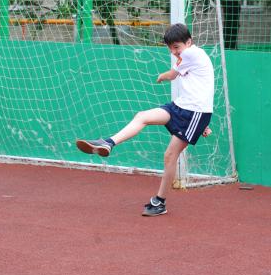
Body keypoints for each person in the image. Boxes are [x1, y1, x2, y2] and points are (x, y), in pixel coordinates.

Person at [76, 23, 214, 216]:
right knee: (142, 117)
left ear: (189, 42)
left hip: (194, 113)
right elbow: (202, 86)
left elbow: (173, 75)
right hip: (182, 107)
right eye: (170, 48)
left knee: (170, 155)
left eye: (177, 47)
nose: (174, 52)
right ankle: (108, 143)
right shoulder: (191, 56)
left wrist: (162, 76)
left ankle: (160, 203)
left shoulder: (191, 54)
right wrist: (203, 123)